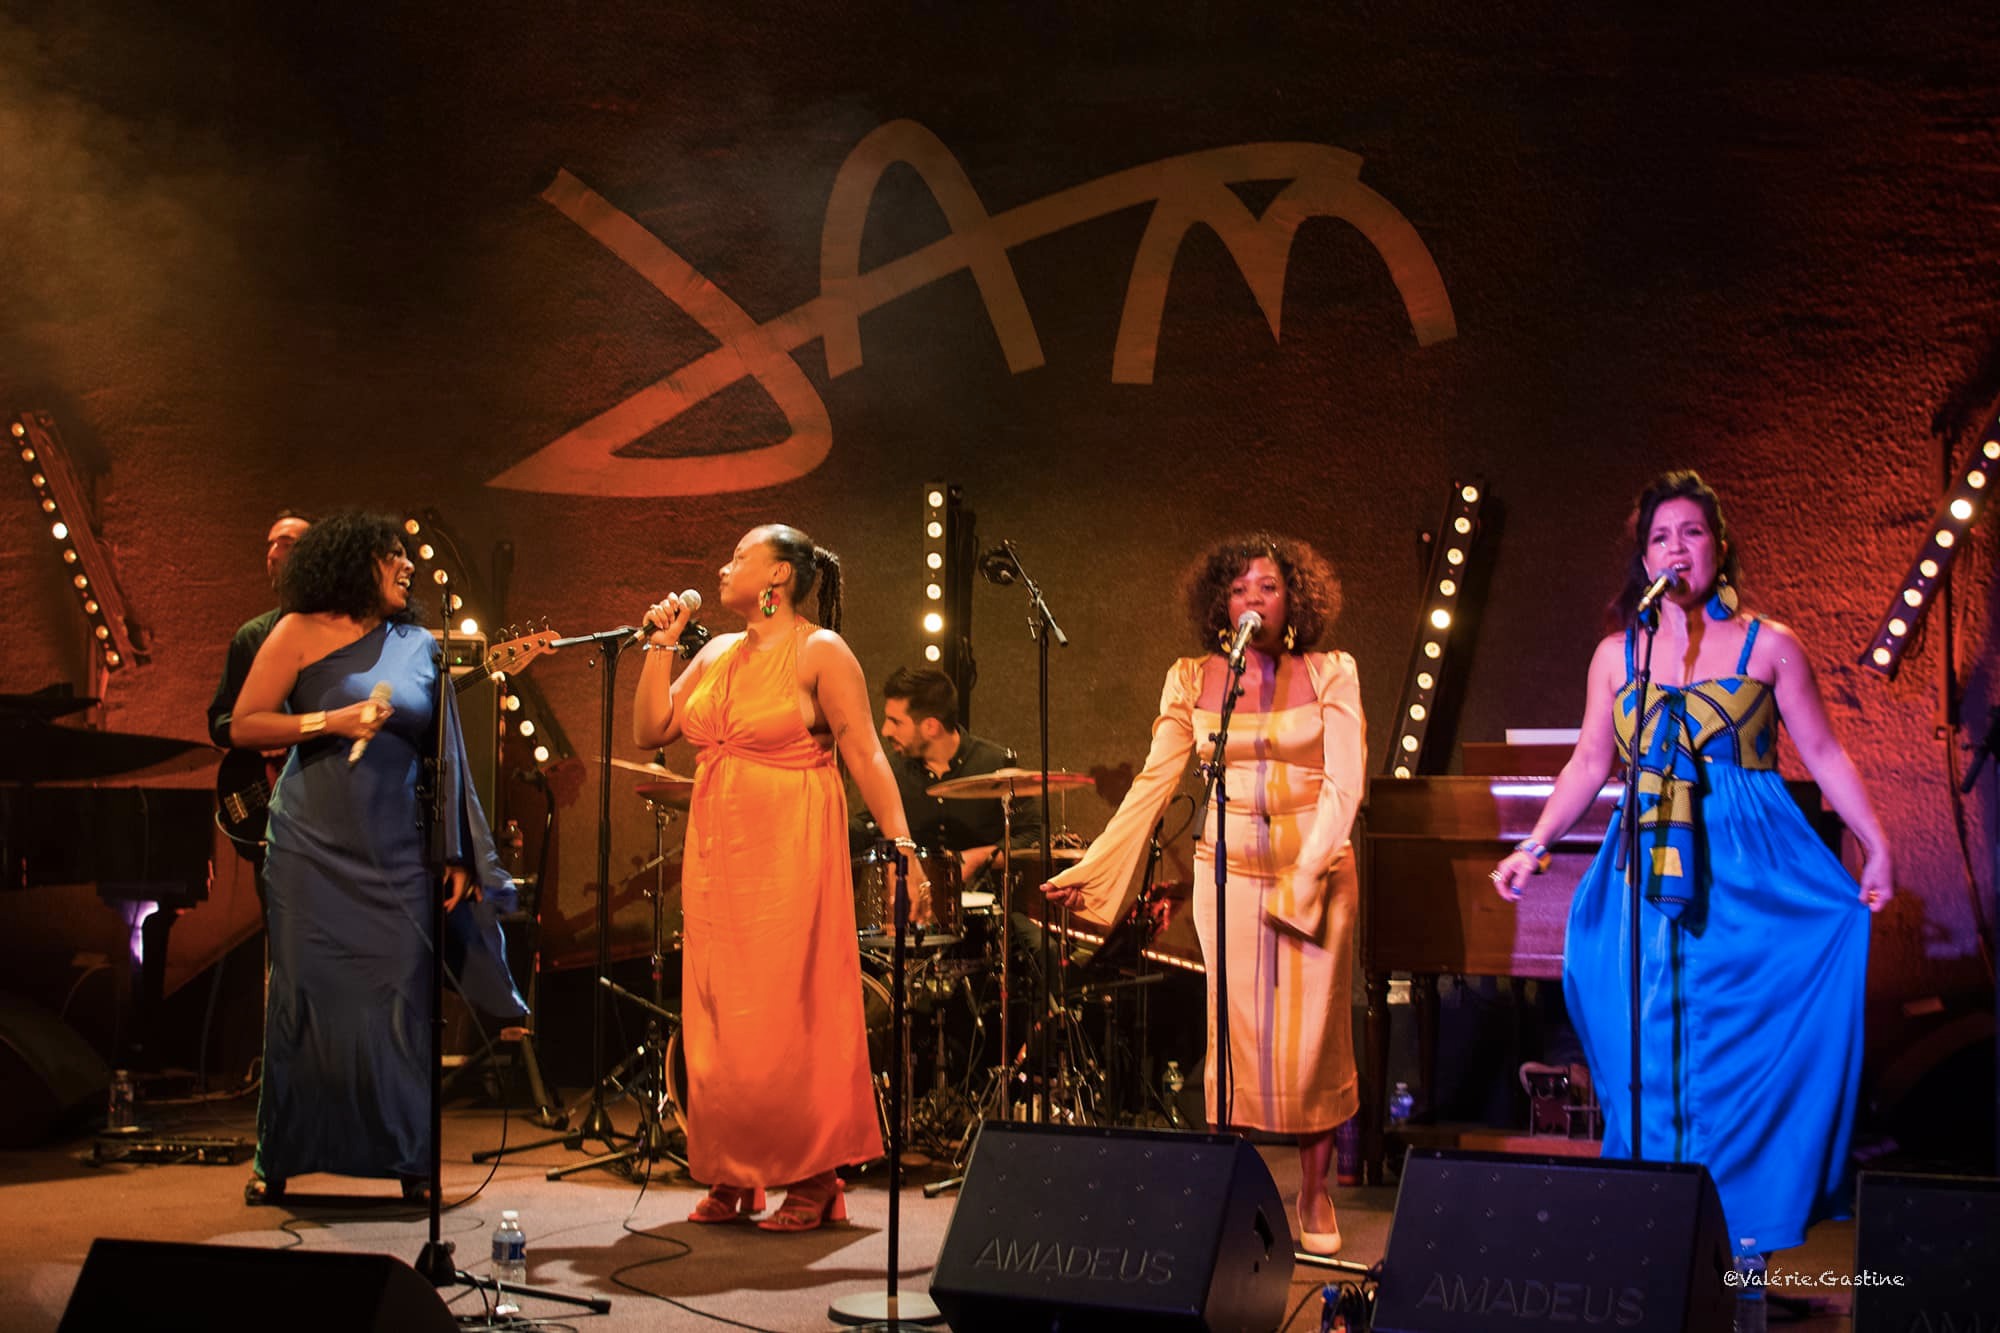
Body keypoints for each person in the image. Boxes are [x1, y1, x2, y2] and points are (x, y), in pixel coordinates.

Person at [1490, 470, 1890, 1257]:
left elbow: (1823, 751)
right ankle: (1658, 1233)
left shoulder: (1771, 645)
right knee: (1644, 1036)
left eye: (1692, 532)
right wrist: (1534, 844)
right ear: (1644, 559)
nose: (1677, 548)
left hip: (1750, 871)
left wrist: (1876, 841)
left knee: (1742, 1048)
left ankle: (1742, 1242)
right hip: (1644, 871)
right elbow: (1589, 762)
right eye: (1660, 537)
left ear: (1721, 545)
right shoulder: (1617, 656)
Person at [1043, 534, 1364, 1256]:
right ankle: (1228, 1190)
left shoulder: (1332, 671)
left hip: (1316, 868)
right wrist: (1098, 866)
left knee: (1313, 1037)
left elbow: (1346, 784)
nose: (1254, 600)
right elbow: (1155, 781)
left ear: (1295, 599)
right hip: (1231, 871)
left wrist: (1308, 874)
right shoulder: (1190, 678)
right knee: (1233, 1032)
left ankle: (1315, 1191)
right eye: (1240, 588)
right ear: (1220, 601)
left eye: (1269, 587)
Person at [228, 510, 526, 1204]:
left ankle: (409, 1159)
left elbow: (446, 751)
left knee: (400, 1000)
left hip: (396, 855)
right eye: (394, 554)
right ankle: (281, 1159)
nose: (409, 564)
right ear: (354, 561)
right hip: (309, 851)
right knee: (304, 1002)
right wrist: (330, 720)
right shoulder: (296, 631)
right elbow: (244, 723)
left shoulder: (419, 644)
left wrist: (456, 852)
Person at [632, 523, 920, 1232]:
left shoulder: (819, 650)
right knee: (720, 1017)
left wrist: (902, 847)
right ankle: (735, 1169)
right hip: (717, 858)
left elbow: (866, 753)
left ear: (779, 577)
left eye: (739, 556)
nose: (723, 567)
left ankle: (814, 1176)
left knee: (788, 1013)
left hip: (789, 850)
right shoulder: (717, 653)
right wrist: (662, 646)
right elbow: (650, 729)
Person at [858, 665, 1041, 902]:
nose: (885, 730)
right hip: (917, 905)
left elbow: (1034, 836)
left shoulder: (995, 764)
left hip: (992, 905)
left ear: (931, 727)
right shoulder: (891, 770)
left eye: (895, 721)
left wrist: (980, 857)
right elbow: (869, 827)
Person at [207, 510, 313, 888]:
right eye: (270, 545)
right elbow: (220, 721)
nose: (272, 554)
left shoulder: (342, 634)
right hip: (272, 815)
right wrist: (259, 736)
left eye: (286, 544)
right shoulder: (252, 637)